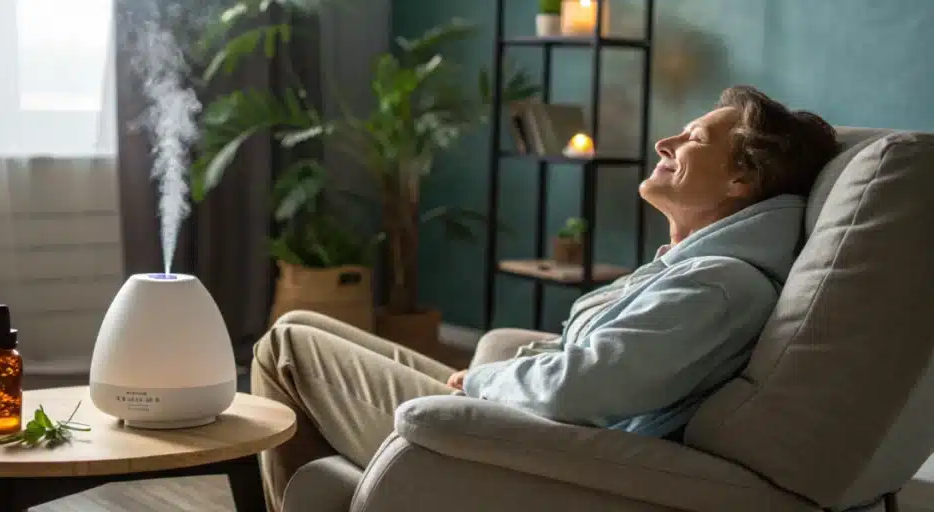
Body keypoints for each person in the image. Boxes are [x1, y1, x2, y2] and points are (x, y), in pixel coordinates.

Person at [249, 84, 840, 511]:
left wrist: (482, 383)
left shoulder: (719, 285)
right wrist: (509, 368)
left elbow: (581, 388)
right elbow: (598, 366)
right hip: (516, 420)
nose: (666, 140)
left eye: (693, 138)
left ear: (742, 180)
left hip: (521, 446)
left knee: (286, 346)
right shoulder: (703, 269)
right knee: (302, 321)